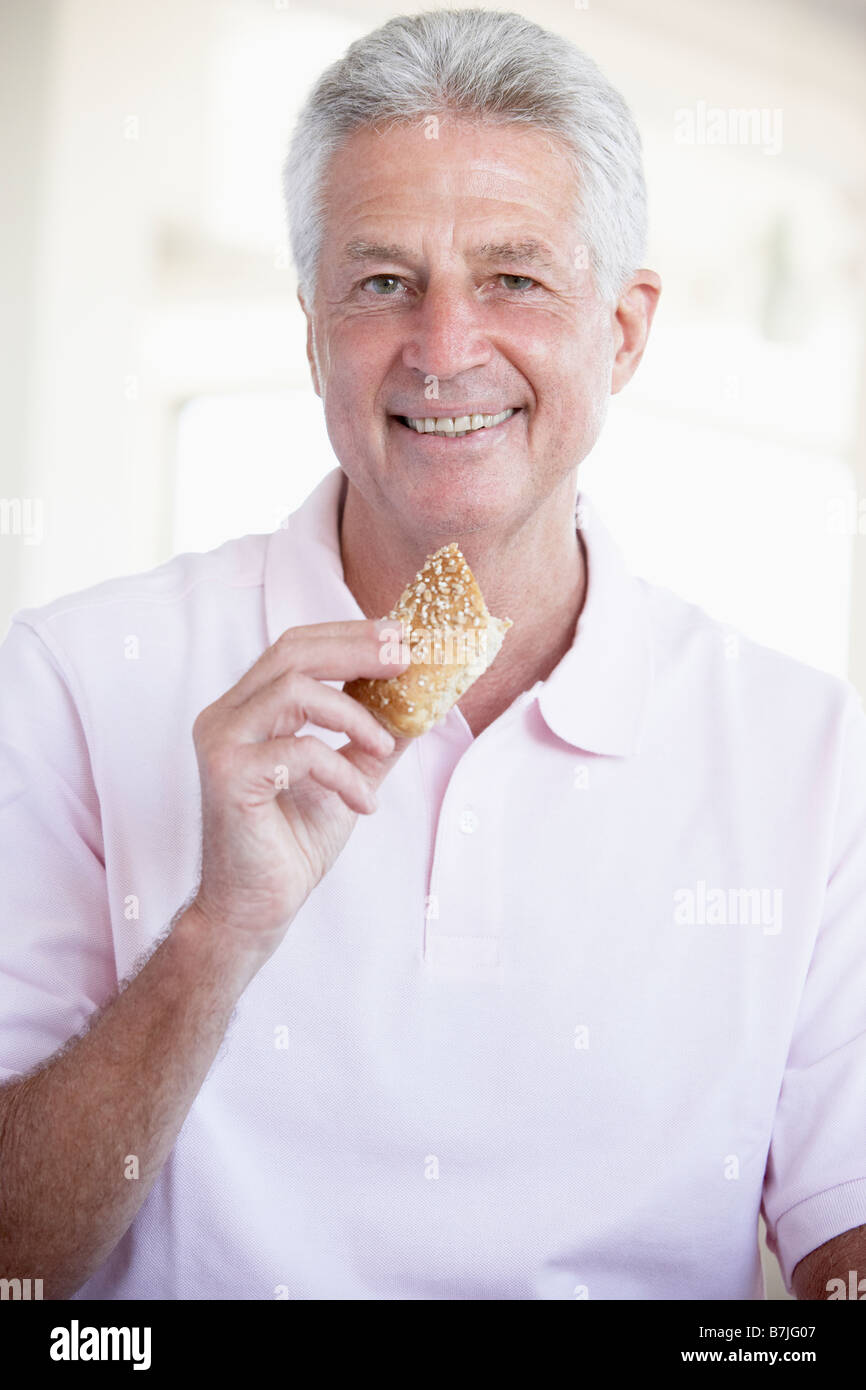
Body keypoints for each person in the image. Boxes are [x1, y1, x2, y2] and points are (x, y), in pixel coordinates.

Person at [1, 8, 865, 1301]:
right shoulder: (70, 680)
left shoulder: (809, 755)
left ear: (622, 330)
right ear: (311, 332)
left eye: (513, 277)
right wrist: (219, 933)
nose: (444, 348)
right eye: (382, 281)